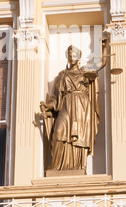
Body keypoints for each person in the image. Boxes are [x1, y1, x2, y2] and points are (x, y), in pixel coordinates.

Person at [39, 42, 107, 171]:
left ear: (79, 56)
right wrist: (48, 106)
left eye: (74, 54)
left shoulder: (85, 73)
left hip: (82, 107)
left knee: (79, 137)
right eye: (69, 55)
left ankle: (78, 167)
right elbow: (55, 98)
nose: (72, 57)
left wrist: (104, 47)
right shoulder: (62, 76)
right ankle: (57, 166)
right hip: (66, 106)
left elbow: (102, 63)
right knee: (58, 132)